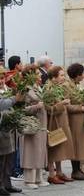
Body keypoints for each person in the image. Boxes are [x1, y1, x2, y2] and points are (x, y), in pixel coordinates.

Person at [20, 65, 49, 189]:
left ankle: (38, 178)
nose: (41, 75)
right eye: (38, 73)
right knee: (31, 151)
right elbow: (21, 109)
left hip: (41, 124)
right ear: (30, 75)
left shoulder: (38, 88)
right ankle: (29, 180)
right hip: (31, 125)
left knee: (40, 150)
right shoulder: (25, 89)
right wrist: (36, 106)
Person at [45, 66, 75, 184]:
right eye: (61, 75)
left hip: (61, 121)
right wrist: (62, 103)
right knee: (53, 147)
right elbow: (48, 109)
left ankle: (60, 172)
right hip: (53, 122)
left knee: (60, 147)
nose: (64, 77)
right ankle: (51, 174)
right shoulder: (48, 89)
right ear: (54, 77)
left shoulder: (58, 87)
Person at [64, 63, 84, 180]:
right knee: (75, 145)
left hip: (81, 119)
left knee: (80, 145)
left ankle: (79, 169)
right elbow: (67, 105)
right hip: (74, 119)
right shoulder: (67, 85)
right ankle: (75, 171)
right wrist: (81, 108)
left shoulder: (76, 84)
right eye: (82, 74)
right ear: (78, 74)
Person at [0, 67, 23, 195]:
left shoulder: (6, 89)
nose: (1, 81)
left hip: (9, 128)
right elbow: (2, 104)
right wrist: (15, 99)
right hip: (1, 128)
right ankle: (0, 186)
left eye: (2, 78)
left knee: (9, 158)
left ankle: (7, 183)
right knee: (1, 159)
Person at [5, 56, 24, 182]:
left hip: (13, 110)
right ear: (17, 65)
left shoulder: (9, 76)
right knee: (15, 143)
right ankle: (16, 170)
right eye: (20, 63)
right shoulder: (16, 77)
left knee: (14, 144)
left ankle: (13, 171)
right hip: (14, 110)